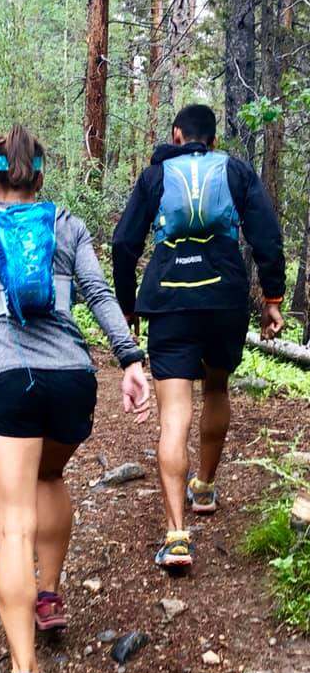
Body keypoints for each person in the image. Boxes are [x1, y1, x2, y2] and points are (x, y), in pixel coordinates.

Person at [0, 124, 149, 673]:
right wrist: (130, 359)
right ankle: (48, 596)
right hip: (72, 379)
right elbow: (99, 294)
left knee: (13, 525)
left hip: (10, 379)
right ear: (41, 176)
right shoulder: (67, 224)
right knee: (50, 477)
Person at [112, 104, 285, 570]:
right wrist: (272, 298)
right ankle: (204, 488)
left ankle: (176, 537)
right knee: (217, 388)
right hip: (224, 297)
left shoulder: (155, 175)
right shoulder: (235, 170)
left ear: (176, 135)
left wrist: (127, 305)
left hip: (169, 301)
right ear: (212, 140)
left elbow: (124, 243)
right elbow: (267, 235)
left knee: (174, 415)